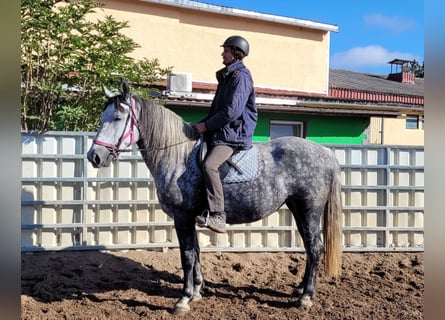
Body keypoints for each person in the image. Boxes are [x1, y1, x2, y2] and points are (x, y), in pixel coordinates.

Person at [192, 35, 258, 233]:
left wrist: (207, 126)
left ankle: (218, 216)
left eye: (226, 50)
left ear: (236, 54)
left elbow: (232, 111)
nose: (223, 53)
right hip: (222, 131)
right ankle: (202, 207)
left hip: (233, 135)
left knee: (210, 165)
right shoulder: (228, 77)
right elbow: (217, 111)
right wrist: (201, 124)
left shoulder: (240, 77)